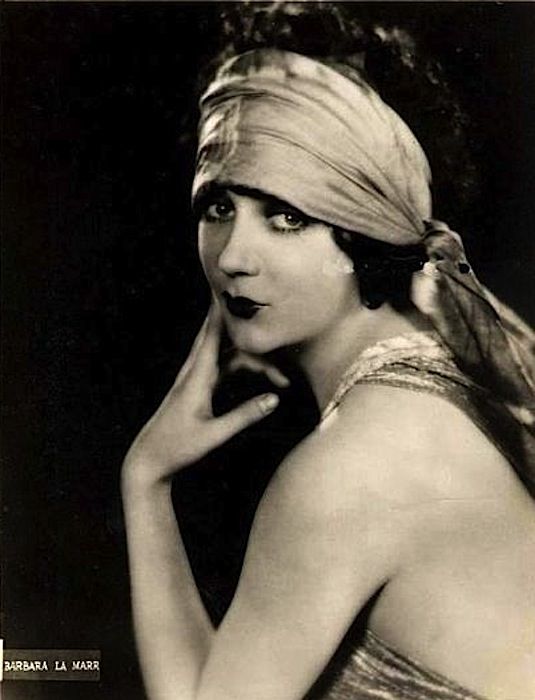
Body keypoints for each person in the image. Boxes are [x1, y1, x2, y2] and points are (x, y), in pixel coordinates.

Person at [121, 7, 535, 700]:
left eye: (287, 217)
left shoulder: (346, 471)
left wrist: (144, 479)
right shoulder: (440, 380)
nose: (234, 256)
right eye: (219, 207)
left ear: (364, 230)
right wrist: (148, 480)